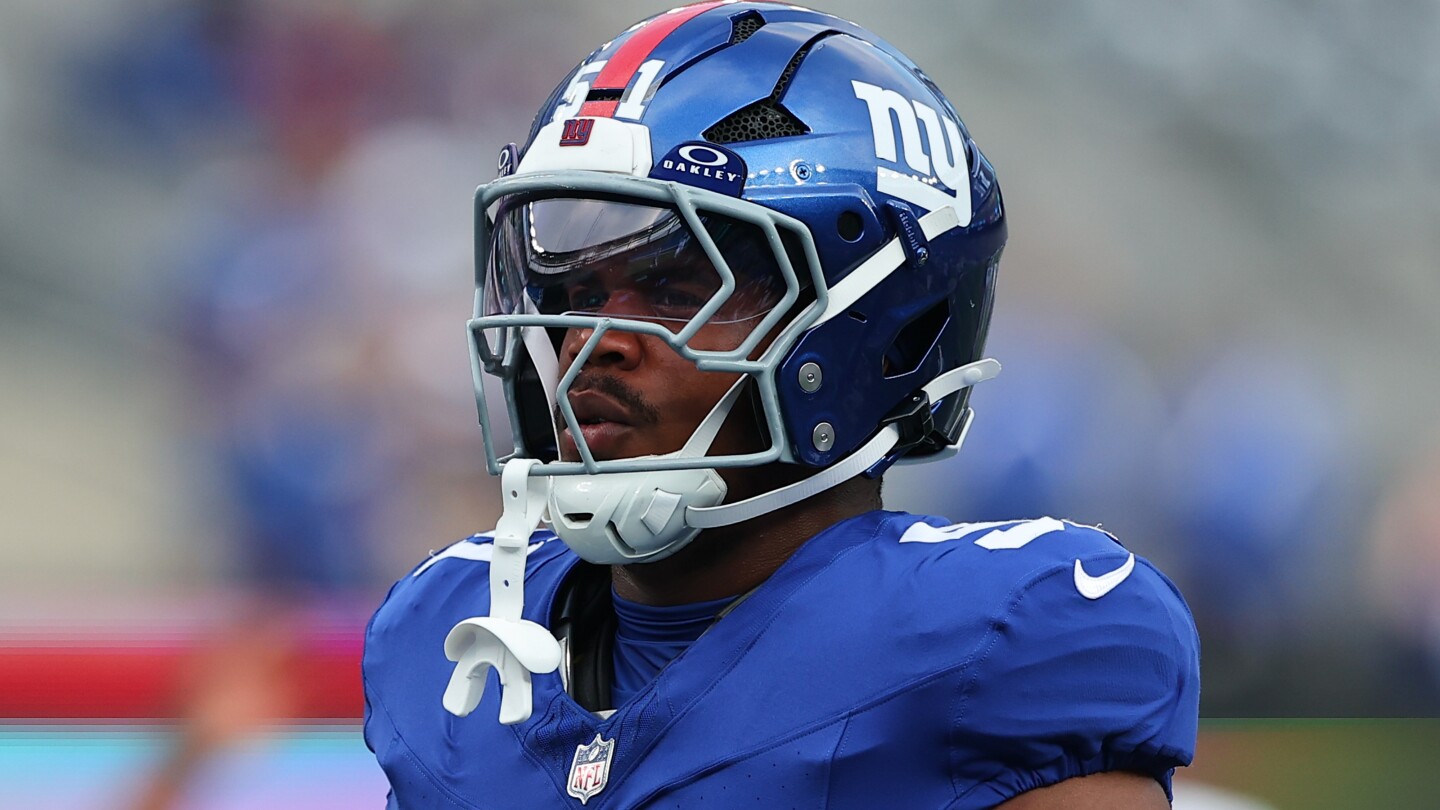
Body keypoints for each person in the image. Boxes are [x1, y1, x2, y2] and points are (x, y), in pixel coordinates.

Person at [363, 3, 1201, 808]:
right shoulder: (443, 632)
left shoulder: (1003, 636)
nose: (592, 340)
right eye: (575, 293)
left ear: (879, 330)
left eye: (675, 289)